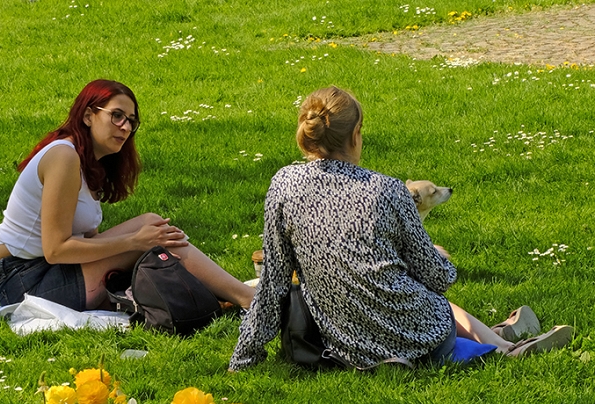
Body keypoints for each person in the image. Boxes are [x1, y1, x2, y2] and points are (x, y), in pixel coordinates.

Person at [229, 86, 571, 371]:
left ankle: (500, 338)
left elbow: (273, 281)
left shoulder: (283, 184)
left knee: (410, 297)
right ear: (355, 135)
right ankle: (502, 346)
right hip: (415, 333)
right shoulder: (388, 189)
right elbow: (438, 279)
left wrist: (244, 356)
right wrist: (430, 259)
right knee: (431, 303)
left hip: (344, 344)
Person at [0, 79, 254, 312]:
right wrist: (135, 243)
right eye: (116, 116)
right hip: (24, 283)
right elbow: (56, 250)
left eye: (131, 121)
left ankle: (219, 294)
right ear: (87, 116)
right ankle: (249, 298)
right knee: (151, 237)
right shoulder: (63, 156)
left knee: (152, 224)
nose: (125, 127)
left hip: (51, 273)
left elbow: (87, 242)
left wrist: (140, 241)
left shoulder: (88, 162)